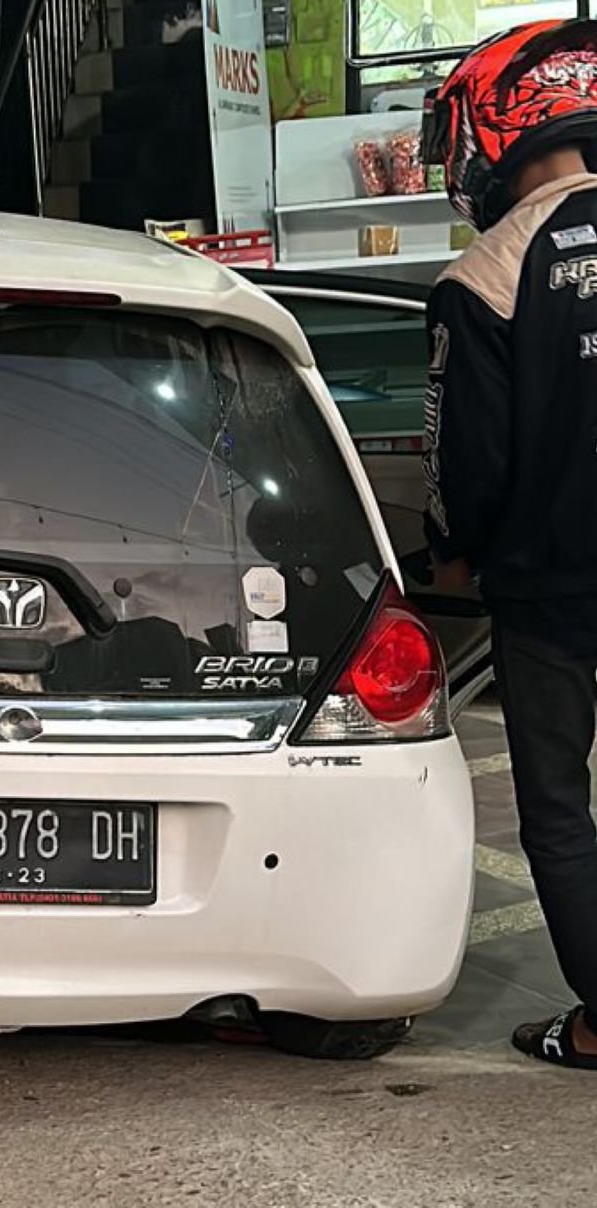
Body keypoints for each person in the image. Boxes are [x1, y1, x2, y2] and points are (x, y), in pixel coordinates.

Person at [422, 19, 597, 1068]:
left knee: (560, 811)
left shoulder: (483, 274)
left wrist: (449, 554)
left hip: (550, 598)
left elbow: (463, 462)